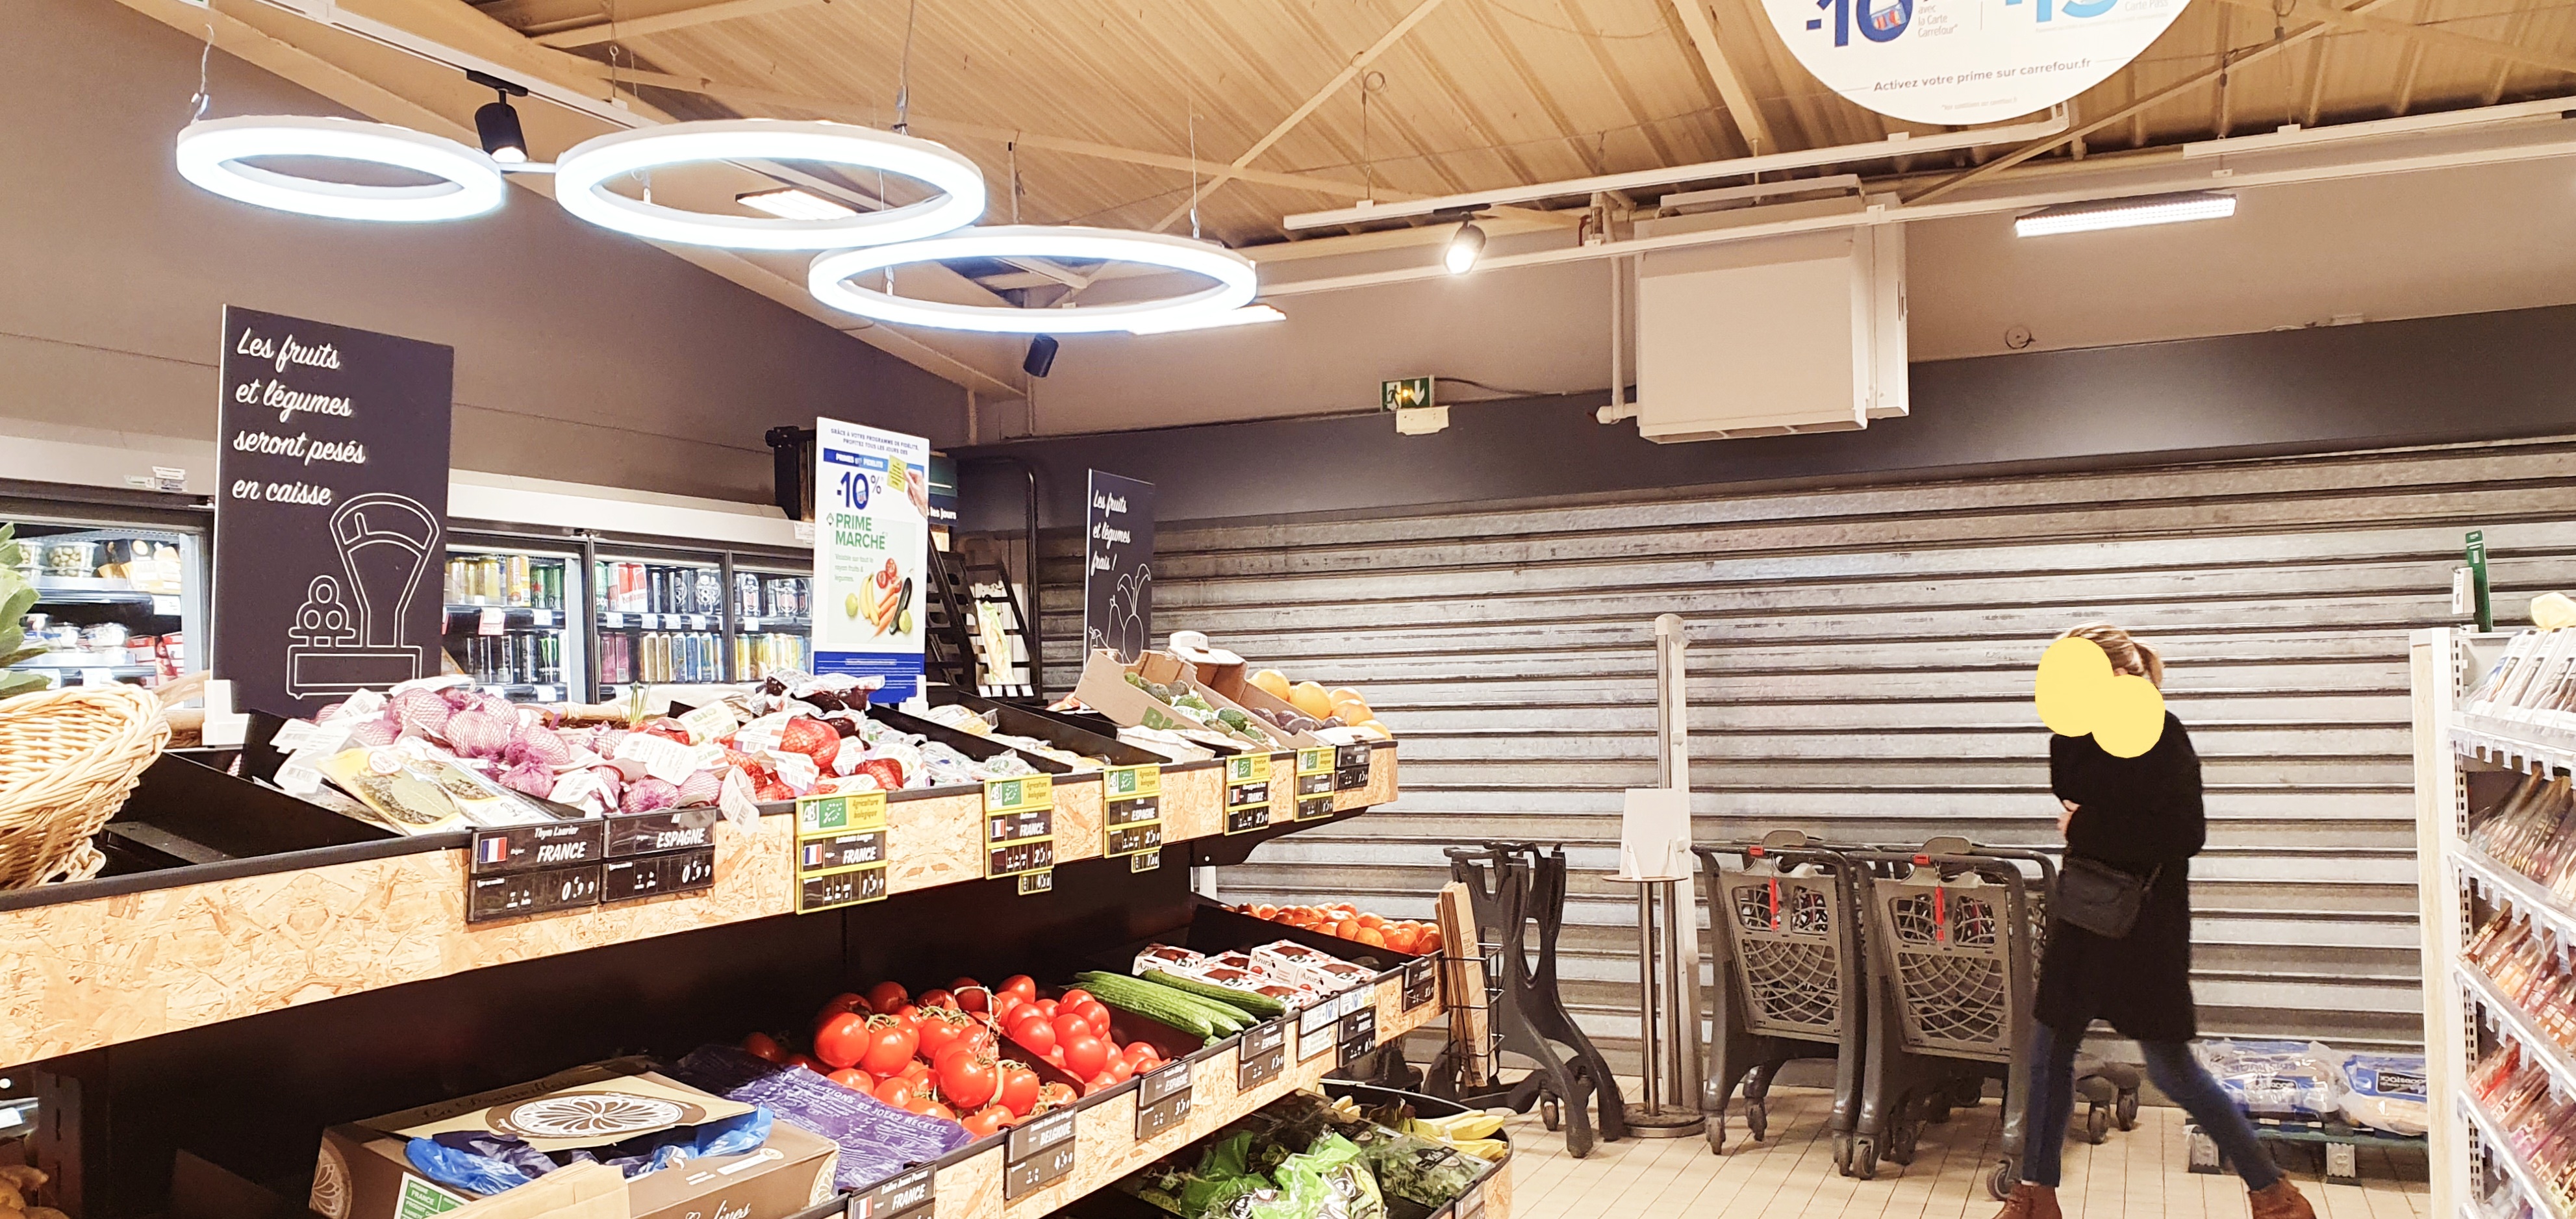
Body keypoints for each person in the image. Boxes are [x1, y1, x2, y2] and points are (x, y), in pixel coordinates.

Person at [1993, 623, 2314, 1219]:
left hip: (2144, 930)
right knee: (2047, 1054)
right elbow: (2070, 787)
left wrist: (2088, 824)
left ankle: (2273, 1192)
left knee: (2172, 1070)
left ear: (2119, 676)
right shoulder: (2075, 734)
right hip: (2084, 915)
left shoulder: (2165, 736)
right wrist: (2094, 803)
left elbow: (2184, 833)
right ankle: (2036, 1194)